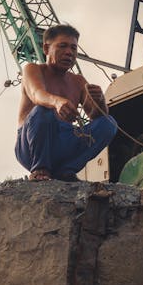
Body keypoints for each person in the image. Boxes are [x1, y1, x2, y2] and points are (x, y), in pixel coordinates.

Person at [15, 24, 117, 181]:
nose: (69, 52)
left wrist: (100, 101)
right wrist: (56, 102)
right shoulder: (33, 69)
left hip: (64, 142)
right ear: (46, 48)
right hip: (31, 144)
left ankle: (66, 170)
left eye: (73, 48)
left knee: (108, 123)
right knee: (43, 111)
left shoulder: (78, 81)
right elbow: (37, 94)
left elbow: (96, 116)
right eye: (62, 46)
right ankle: (40, 170)